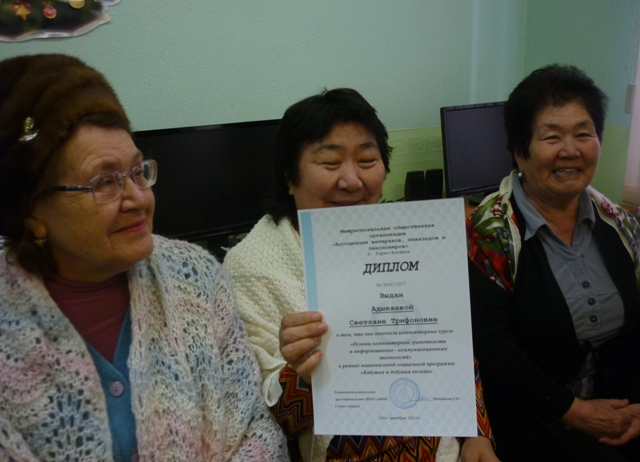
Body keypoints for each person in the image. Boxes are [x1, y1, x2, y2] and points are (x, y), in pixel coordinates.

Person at [0, 54, 288, 462]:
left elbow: (256, 429)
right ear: (31, 211)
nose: (138, 198)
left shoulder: (197, 278)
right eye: (105, 182)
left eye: (138, 172)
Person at [224, 88, 497, 462]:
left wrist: (476, 433)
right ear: (289, 176)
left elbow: (454, 347)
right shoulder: (251, 268)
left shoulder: (412, 237)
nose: (352, 181)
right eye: (330, 162)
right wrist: (302, 375)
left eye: (367, 160)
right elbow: (261, 426)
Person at [467, 64, 640, 462]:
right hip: (533, 416)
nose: (570, 150)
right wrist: (578, 414)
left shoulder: (620, 222)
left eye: (583, 134)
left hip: (621, 410)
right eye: (551, 137)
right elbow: (495, 352)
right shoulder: (490, 233)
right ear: (519, 150)